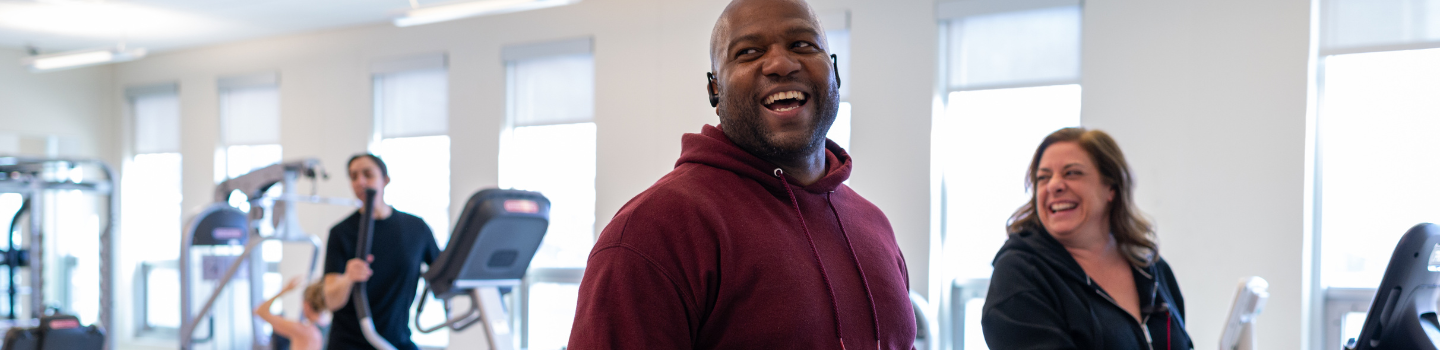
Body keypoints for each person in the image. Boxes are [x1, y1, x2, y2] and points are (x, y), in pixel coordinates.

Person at [567, 0, 916, 348]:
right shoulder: (652, 232)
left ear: (834, 71)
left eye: (802, 45)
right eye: (748, 51)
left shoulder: (874, 225)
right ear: (715, 90)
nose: (781, 63)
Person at [981, 128, 1192, 349]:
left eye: (1072, 173)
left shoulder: (1151, 267)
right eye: (1043, 178)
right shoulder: (1019, 275)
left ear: (1111, 187)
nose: (1054, 185)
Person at [321, 154, 440, 350]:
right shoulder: (341, 233)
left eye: (368, 174)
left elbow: (443, 274)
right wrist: (348, 278)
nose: (360, 181)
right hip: (349, 344)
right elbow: (331, 300)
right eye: (353, 176)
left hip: (397, 340)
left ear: (385, 180)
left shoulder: (416, 229)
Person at [255, 277, 330, 350]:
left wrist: (285, 290)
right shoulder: (328, 329)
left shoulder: (304, 331)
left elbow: (260, 311)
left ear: (306, 305)